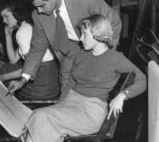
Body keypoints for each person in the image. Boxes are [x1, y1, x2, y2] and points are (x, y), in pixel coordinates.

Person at [21, 14, 146, 142]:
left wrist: (122, 95)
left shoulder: (115, 58)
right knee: (37, 119)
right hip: (70, 103)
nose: (80, 39)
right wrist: (60, 104)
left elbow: (143, 80)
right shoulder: (82, 54)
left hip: (91, 112)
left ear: (98, 36)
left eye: (84, 34)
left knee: (41, 117)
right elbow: (71, 82)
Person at [6, 0, 122, 96]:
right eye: (36, 7)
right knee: (66, 94)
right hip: (69, 58)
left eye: (42, 6)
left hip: (95, 50)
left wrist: (105, 55)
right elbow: (37, 49)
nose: (39, 11)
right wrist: (23, 79)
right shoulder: (39, 16)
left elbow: (114, 22)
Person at [0, 3, 60, 99]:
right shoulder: (28, 27)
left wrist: (2, 78)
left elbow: (31, 68)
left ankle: (4, 105)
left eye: (6, 16)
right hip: (52, 83)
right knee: (8, 67)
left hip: (42, 85)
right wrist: (7, 35)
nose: (4, 21)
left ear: (16, 14)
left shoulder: (22, 32)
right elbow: (13, 60)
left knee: (5, 74)